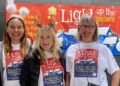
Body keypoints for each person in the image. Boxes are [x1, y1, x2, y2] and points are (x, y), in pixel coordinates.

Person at [66, 15, 120, 86]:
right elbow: (69, 75)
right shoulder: (71, 49)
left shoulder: (103, 49)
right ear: (79, 28)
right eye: (84, 26)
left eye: (91, 26)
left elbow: (116, 72)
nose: (87, 30)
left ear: (95, 29)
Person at [2, 14, 31, 86]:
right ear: (7, 29)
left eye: (19, 27)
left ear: (24, 29)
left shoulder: (30, 46)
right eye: (12, 27)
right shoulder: (0, 47)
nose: (16, 30)